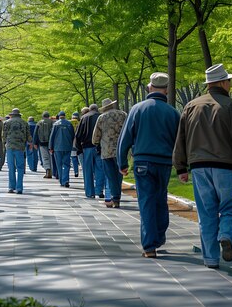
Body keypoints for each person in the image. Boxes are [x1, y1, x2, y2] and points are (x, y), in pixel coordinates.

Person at [173, 64, 232, 269]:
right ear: (222, 82)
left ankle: (211, 259)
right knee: (228, 205)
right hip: (226, 166)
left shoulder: (191, 106)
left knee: (206, 212)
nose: (230, 84)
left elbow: (181, 139)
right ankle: (225, 234)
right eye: (229, 80)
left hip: (199, 166)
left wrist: (181, 167)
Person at [117, 72, 180, 258]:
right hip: (165, 163)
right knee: (161, 199)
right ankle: (159, 236)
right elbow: (180, 141)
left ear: (150, 87)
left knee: (146, 202)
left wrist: (122, 162)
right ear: (166, 90)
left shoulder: (137, 109)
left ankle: (150, 245)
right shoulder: (173, 112)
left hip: (142, 162)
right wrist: (182, 165)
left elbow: (125, 138)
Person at [93, 98, 127, 208]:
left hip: (106, 151)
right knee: (119, 173)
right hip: (121, 150)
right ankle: (117, 197)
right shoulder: (123, 115)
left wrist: (96, 142)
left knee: (111, 175)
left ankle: (115, 198)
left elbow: (96, 136)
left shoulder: (101, 117)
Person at [76, 103, 105, 198]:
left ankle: (89, 192)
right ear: (97, 109)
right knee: (100, 169)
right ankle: (99, 190)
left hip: (87, 147)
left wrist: (79, 149)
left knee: (87, 170)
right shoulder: (101, 117)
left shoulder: (84, 117)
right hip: (100, 147)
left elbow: (78, 135)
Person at [2, 108, 32, 194]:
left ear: (12, 115)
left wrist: (4, 144)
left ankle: (11, 187)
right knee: (20, 168)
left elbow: (4, 135)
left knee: (11, 167)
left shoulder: (7, 123)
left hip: (10, 147)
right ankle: (19, 188)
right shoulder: (24, 123)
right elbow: (28, 135)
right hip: (20, 147)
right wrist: (30, 143)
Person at [49, 111, 75, 187]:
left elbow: (52, 136)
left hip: (57, 147)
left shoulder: (55, 124)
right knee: (67, 164)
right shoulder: (69, 124)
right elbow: (73, 135)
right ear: (65, 116)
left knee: (59, 164)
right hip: (67, 146)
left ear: (59, 116)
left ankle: (61, 181)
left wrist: (51, 147)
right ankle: (66, 180)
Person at [33, 111, 54, 178]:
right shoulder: (52, 122)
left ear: (43, 116)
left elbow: (35, 133)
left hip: (42, 143)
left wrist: (35, 143)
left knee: (45, 157)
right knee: (51, 157)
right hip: (51, 143)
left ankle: (48, 170)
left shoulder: (39, 123)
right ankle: (53, 171)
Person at [70, 112, 80, 177]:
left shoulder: (69, 123)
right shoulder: (81, 122)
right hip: (80, 143)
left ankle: (76, 171)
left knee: (73, 158)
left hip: (72, 142)